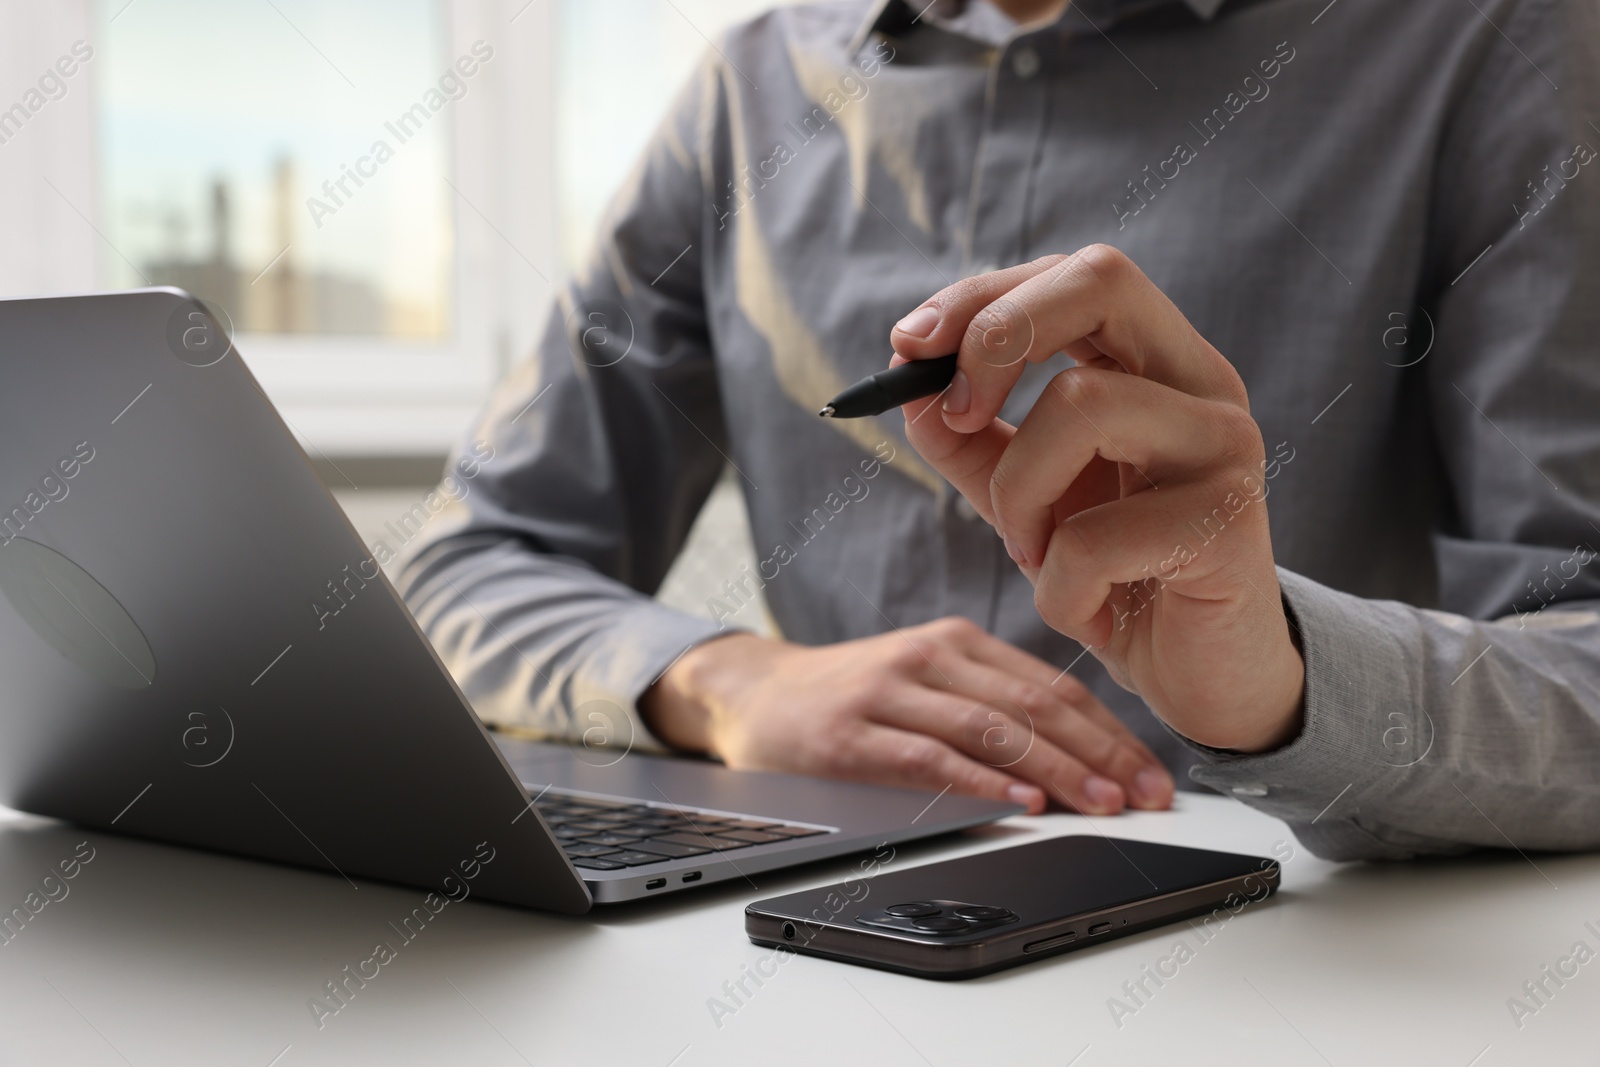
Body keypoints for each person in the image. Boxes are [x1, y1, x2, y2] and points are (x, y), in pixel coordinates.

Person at [396, 0, 1600, 860]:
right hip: (793, 939)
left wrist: (1280, 685)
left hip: (1288, 962)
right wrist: (719, 682)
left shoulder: (1489, 38)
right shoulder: (743, 90)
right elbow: (466, 565)